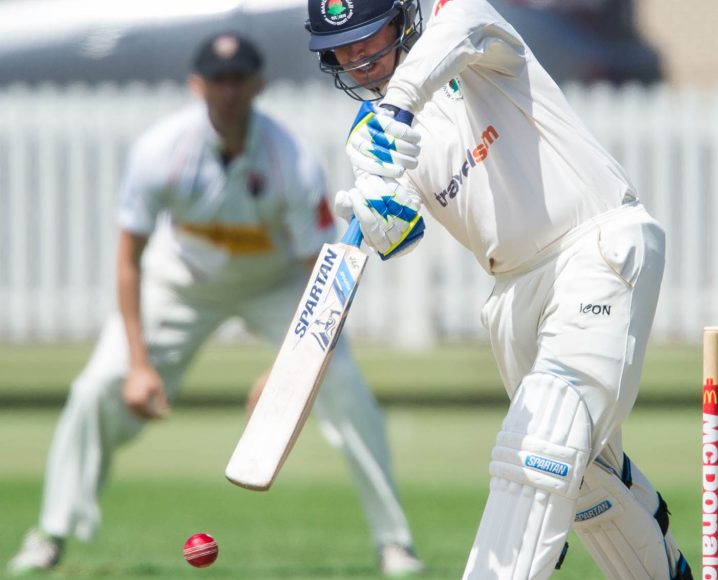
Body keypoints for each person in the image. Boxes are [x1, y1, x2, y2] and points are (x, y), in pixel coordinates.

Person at [5, 33, 424, 577]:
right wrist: (138, 366)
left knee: (345, 385)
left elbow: (320, 275)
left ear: (258, 85)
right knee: (95, 388)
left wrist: (287, 370)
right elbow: (129, 260)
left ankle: (395, 543)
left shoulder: (291, 159)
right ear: (197, 85)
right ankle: (50, 534)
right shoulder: (162, 150)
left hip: (277, 283)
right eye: (218, 81)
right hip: (182, 279)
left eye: (238, 80)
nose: (228, 92)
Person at [303, 0, 693, 578]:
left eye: (369, 33)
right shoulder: (372, 135)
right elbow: (402, 228)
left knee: (541, 449)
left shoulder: (467, 28)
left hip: (593, 246)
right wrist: (380, 214)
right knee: (584, 479)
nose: (358, 54)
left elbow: (457, 26)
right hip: (512, 293)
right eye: (341, 47)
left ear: (402, 18)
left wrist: (397, 107)